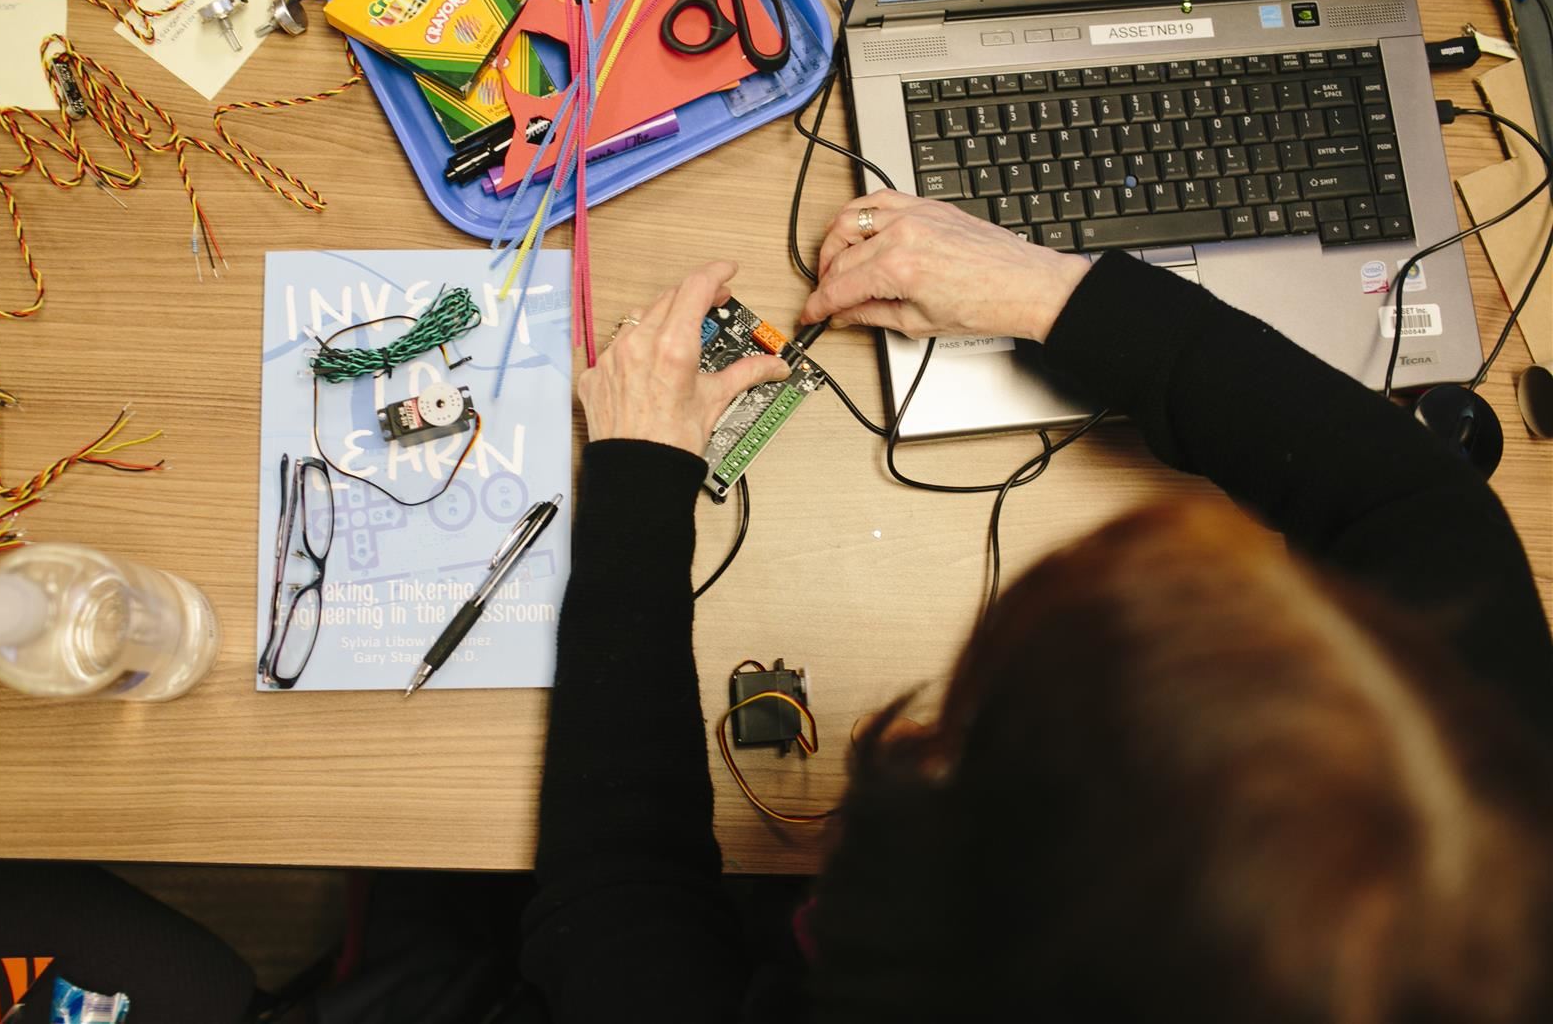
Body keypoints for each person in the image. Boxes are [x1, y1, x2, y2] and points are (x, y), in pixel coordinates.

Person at [520, 191, 1553, 1022]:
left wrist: (636, 478)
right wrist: (1050, 292)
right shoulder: (1495, 798)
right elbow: (1417, 503)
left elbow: (614, 917)